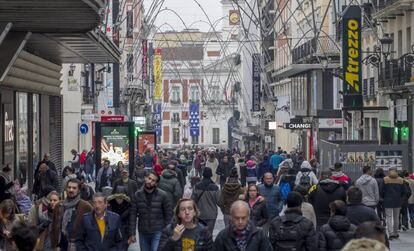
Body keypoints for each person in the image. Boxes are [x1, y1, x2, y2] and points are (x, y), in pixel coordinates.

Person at [129, 170, 173, 251]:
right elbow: (133, 214)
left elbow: (168, 215)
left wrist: (167, 233)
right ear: (145, 178)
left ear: (156, 183)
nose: (150, 181)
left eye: (153, 180)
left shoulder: (163, 195)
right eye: (149, 178)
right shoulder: (137, 195)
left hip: (158, 231)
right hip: (143, 231)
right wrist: (132, 233)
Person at [51, 178, 93, 250]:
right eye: (69, 187)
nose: (71, 190)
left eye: (74, 188)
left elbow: (91, 231)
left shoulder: (86, 207)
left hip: (76, 246)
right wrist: (55, 245)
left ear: (79, 190)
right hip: (60, 245)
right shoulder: (59, 205)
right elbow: (54, 227)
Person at [383, 167, 410, 239]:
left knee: (389, 217)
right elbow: (405, 192)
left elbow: (382, 190)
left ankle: (390, 233)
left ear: (389, 171)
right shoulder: (401, 180)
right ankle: (396, 233)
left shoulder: (385, 179)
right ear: (396, 172)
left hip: (387, 201)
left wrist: (383, 198)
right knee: (396, 217)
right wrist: (402, 199)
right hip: (398, 201)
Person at [192, 167, 220, 234]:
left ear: (203, 174)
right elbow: (218, 201)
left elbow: (192, 201)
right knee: (209, 233)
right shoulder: (215, 187)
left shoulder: (196, 186)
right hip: (212, 214)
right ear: (211, 175)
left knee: (200, 233)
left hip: (199, 214)